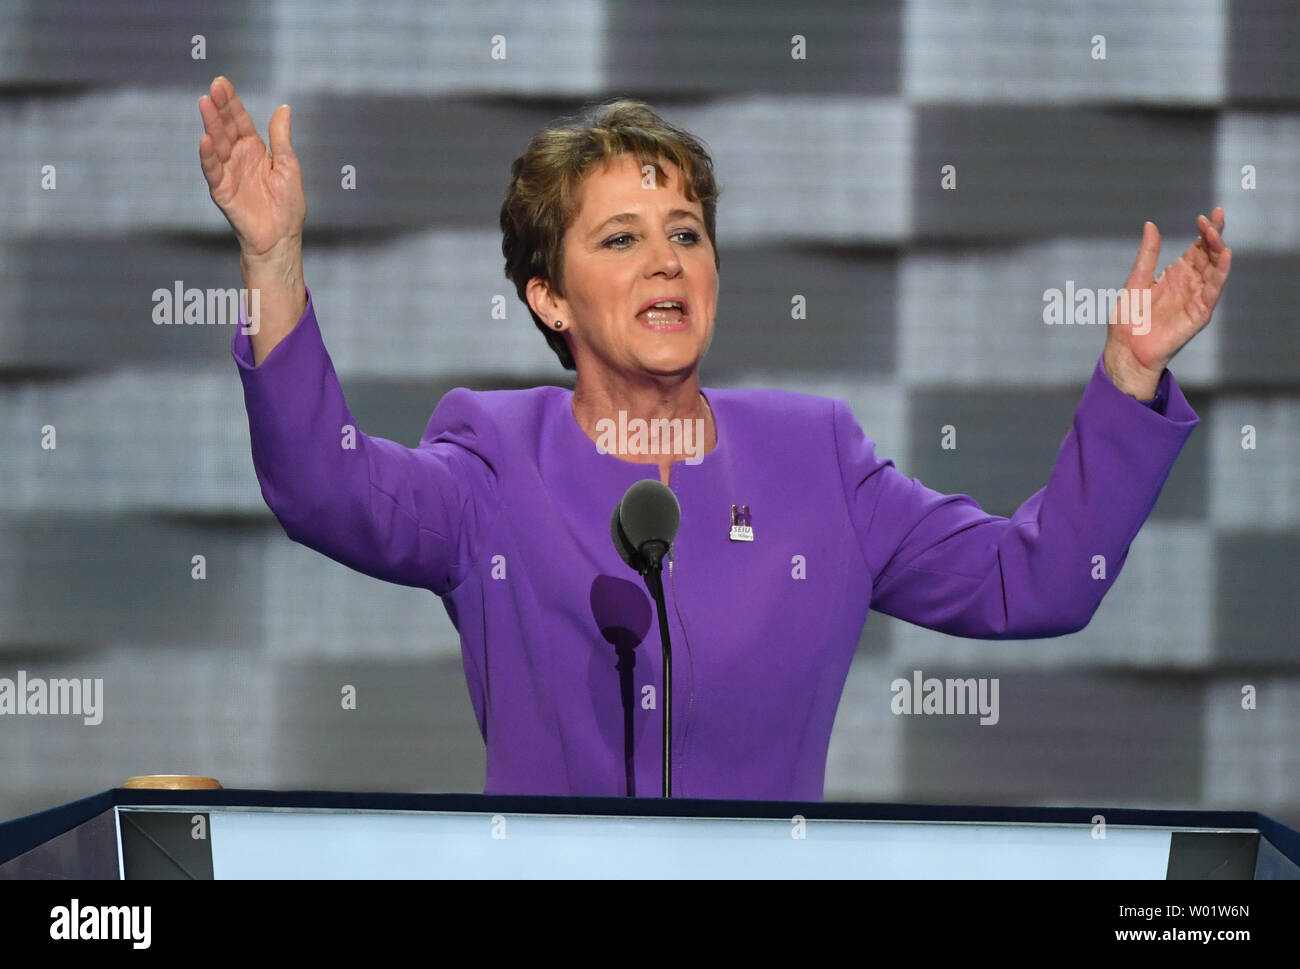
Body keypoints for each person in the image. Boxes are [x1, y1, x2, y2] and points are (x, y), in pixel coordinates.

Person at [198, 77, 1232, 800]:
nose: (666, 263)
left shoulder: (814, 458)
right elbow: (321, 491)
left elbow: (1042, 580)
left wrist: (1129, 373)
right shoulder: (493, 459)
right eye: (621, 239)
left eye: (685, 234)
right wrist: (274, 258)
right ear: (549, 298)